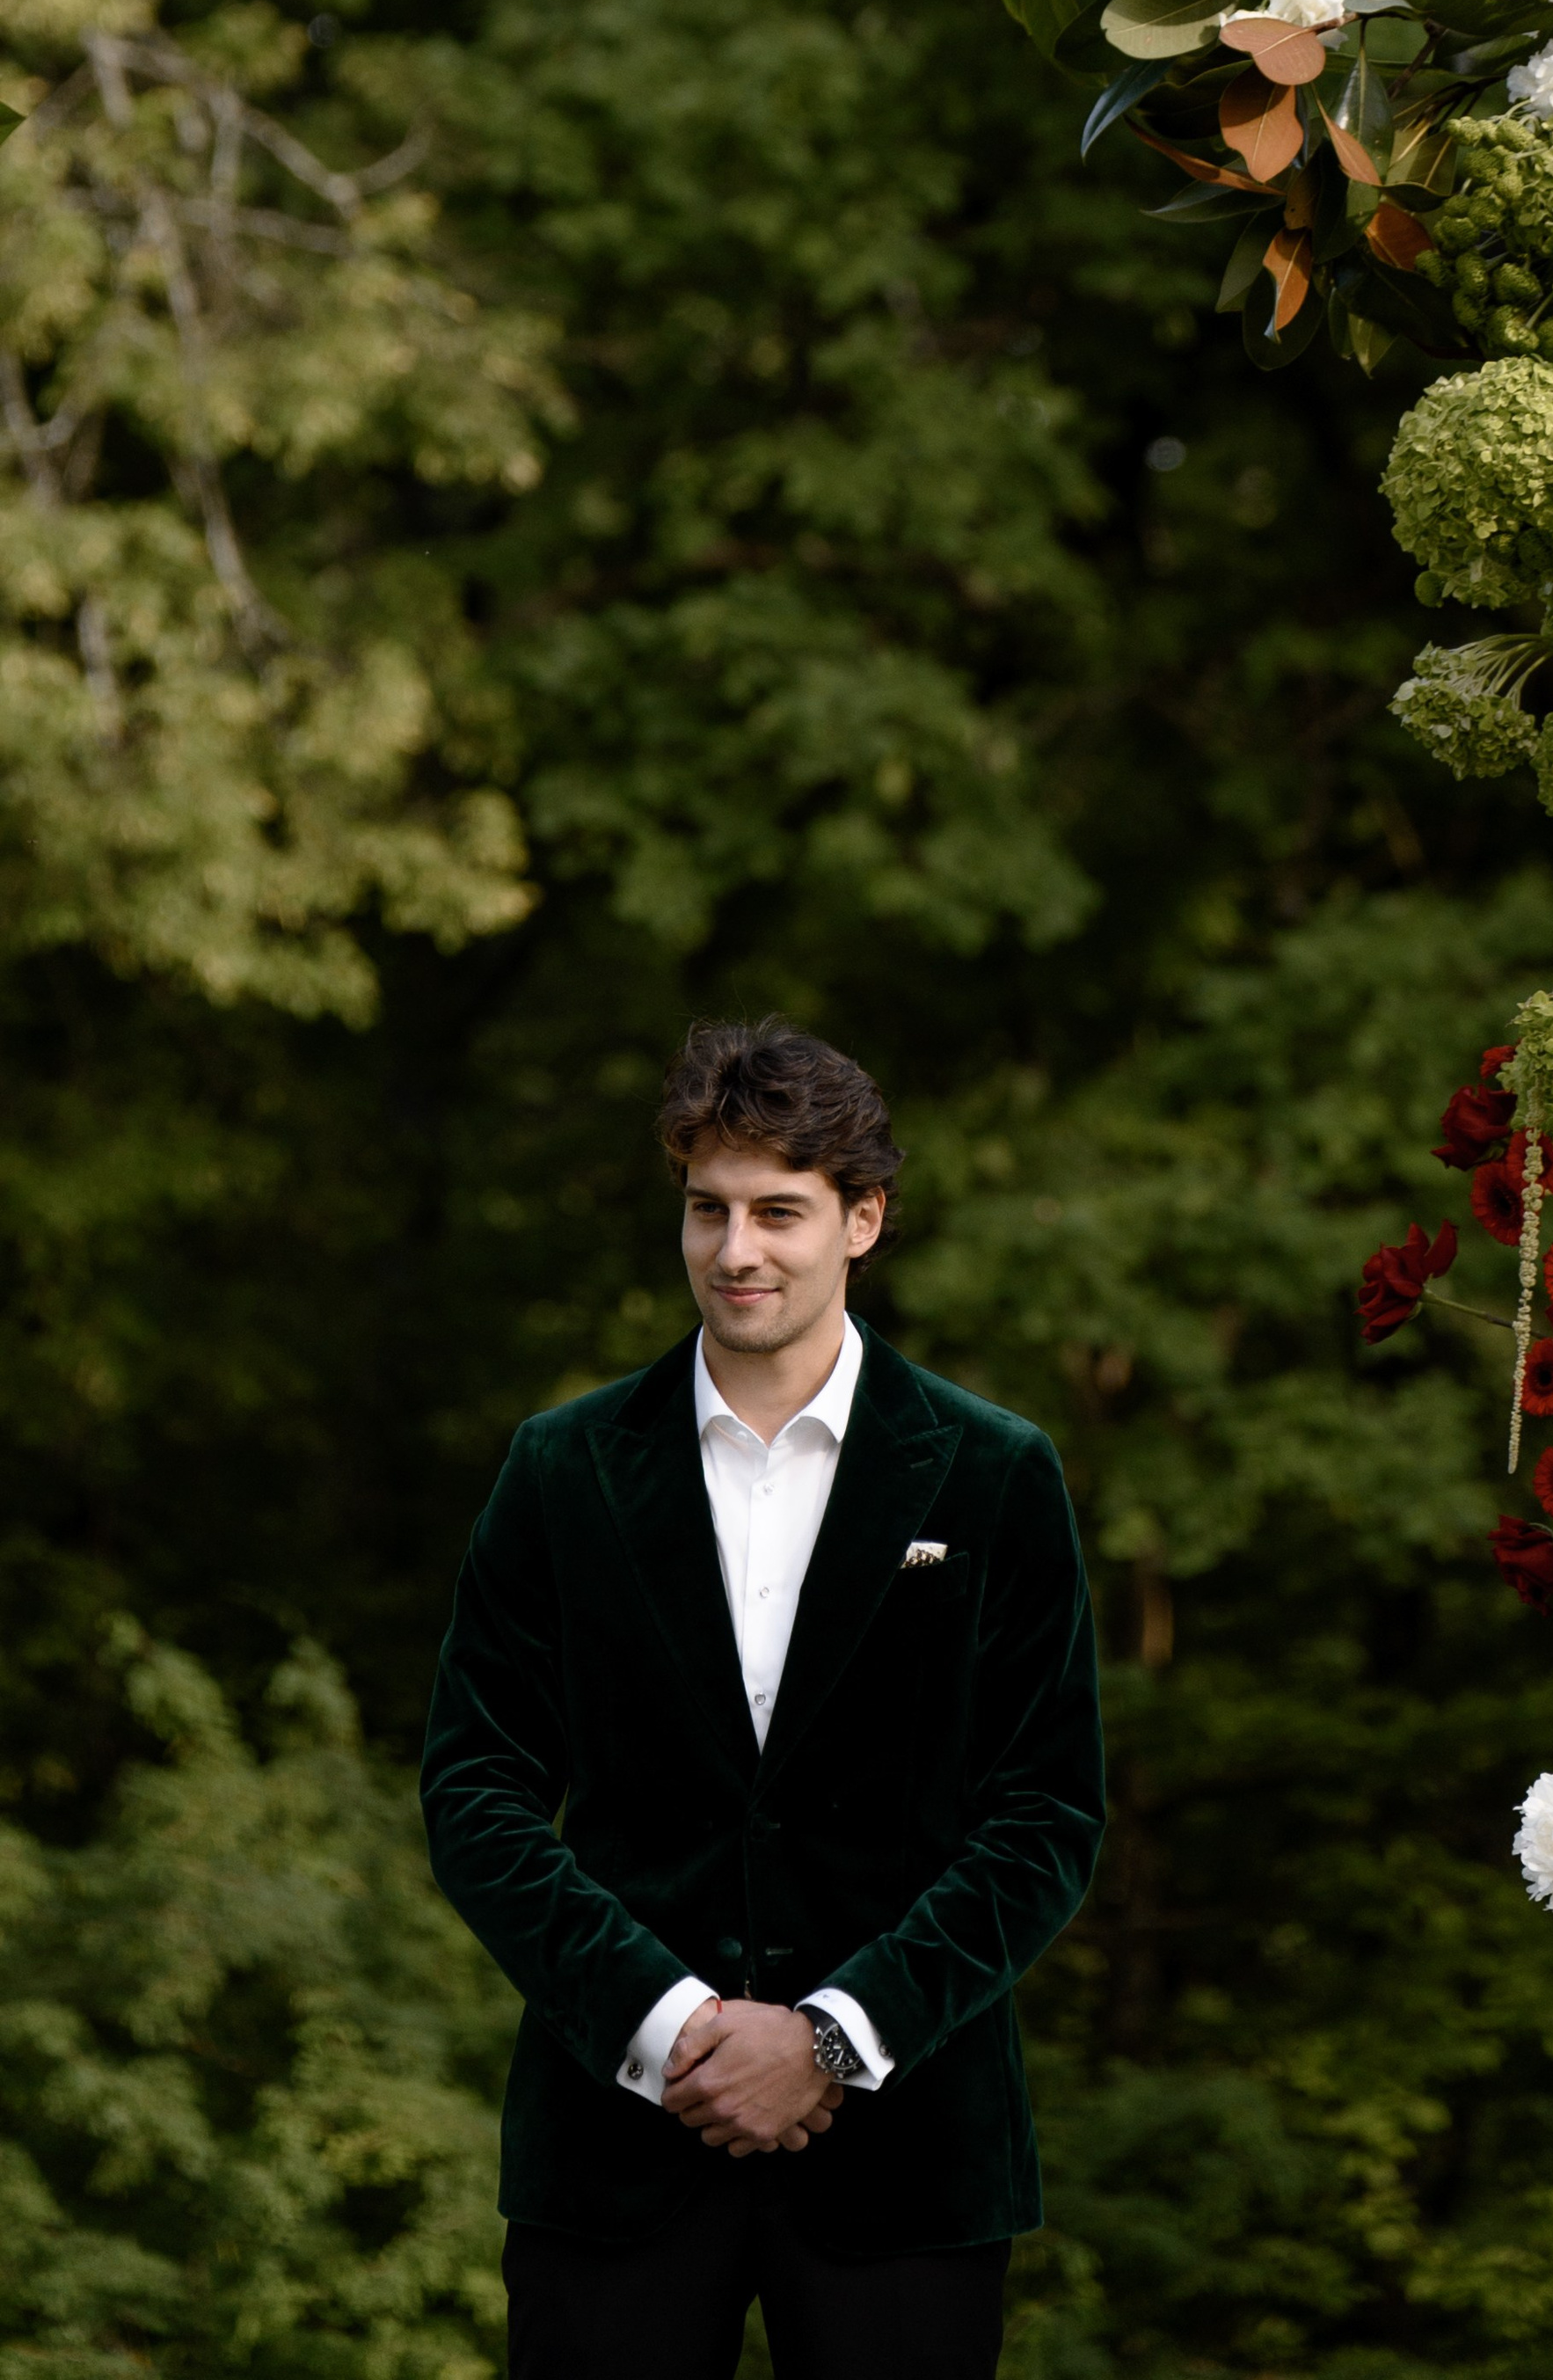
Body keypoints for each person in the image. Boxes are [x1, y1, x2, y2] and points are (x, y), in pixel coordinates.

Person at [422, 1016, 1105, 2379]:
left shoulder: (990, 1473)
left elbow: (1046, 1817)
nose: (737, 1251)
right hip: (612, 2153)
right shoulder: (562, 1469)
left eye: (780, 1212)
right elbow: (475, 1791)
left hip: (909, 2162)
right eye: (708, 1210)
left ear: (863, 1220)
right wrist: (671, 2026)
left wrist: (836, 2042)